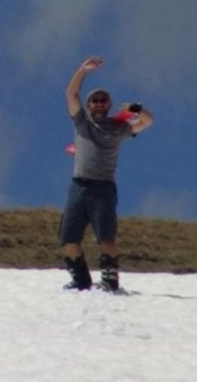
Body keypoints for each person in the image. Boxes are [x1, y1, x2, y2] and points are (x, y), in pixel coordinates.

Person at [59, 55, 153, 291]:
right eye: (95, 100)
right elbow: (71, 94)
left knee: (105, 238)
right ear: (89, 106)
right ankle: (81, 280)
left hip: (103, 187)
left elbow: (148, 121)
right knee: (68, 239)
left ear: (109, 105)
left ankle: (110, 281)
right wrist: (83, 70)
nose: (99, 103)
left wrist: (135, 108)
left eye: (103, 100)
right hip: (79, 186)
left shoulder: (120, 128)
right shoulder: (82, 123)